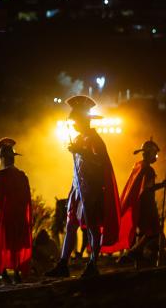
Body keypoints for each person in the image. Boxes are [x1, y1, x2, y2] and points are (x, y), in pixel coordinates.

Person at [46, 95, 121, 278]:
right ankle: (63, 264)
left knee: (92, 228)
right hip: (78, 190)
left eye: (76, 121)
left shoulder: (95, 140)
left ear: (84, 120)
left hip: (92, 192)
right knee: (71, 225)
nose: (73, 124)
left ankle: (93, 263)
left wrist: (81, 151)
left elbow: (100, 162)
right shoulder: (79, 138)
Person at [112, 139, 166, 263]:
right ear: (150, 153)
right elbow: (148, 189)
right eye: (155, 153)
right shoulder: (148, 169)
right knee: (152, 232)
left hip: (140, 205)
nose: (156, 156)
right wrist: (162, 185)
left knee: (145, 232)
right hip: (147, 206)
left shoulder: (139, 165)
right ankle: (132, 254)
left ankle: (136, 256)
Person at [0, 137, 33, 284]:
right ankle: (16, 273)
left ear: (2, 159)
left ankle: (3, 273)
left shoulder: (1, 176)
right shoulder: (22, 176)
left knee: (2, 244)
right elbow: (27, 200)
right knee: (16, 244)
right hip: (19, 216)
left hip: (6, 216)